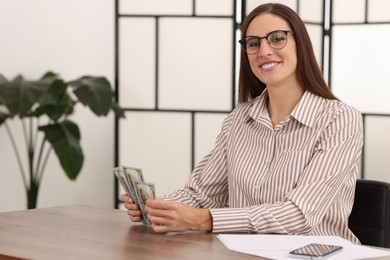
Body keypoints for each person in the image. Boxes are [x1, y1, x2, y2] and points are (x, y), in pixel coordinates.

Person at [120, 3, 363, 244]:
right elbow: (203, 194)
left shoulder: (339, 119)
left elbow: (299, 215)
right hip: (245, 253)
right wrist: (158, 208)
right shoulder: (238, 120)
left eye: (277, 38)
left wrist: (205, 220)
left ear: (301, 44)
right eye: (254, 43)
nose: (264, 51)